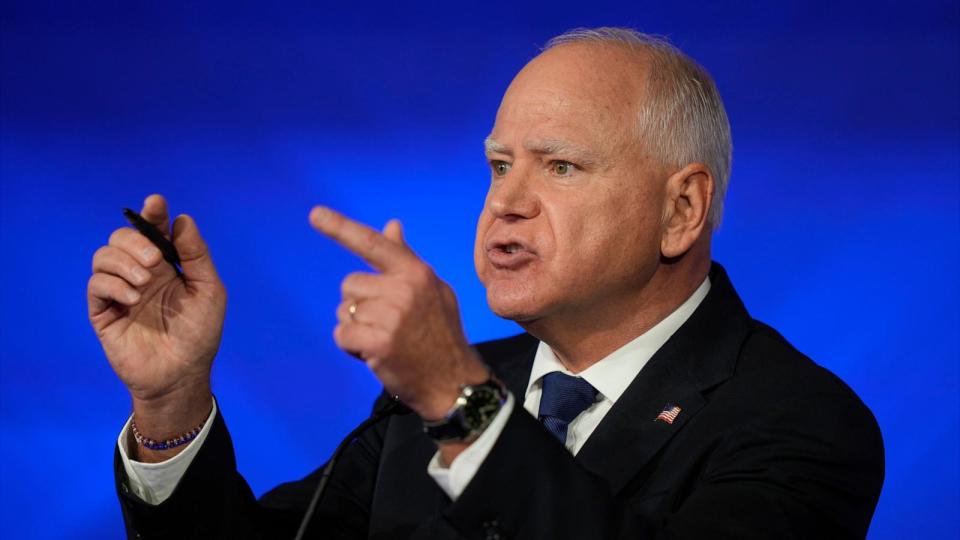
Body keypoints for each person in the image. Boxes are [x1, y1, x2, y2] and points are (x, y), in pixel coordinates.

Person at [88, 28, 884, 539]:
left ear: (682, 209)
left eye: (560, 166)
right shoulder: (432, 395)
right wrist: (171, 401)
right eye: (499, 165)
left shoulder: (802, 424)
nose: (505, 202)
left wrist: (462, 405)